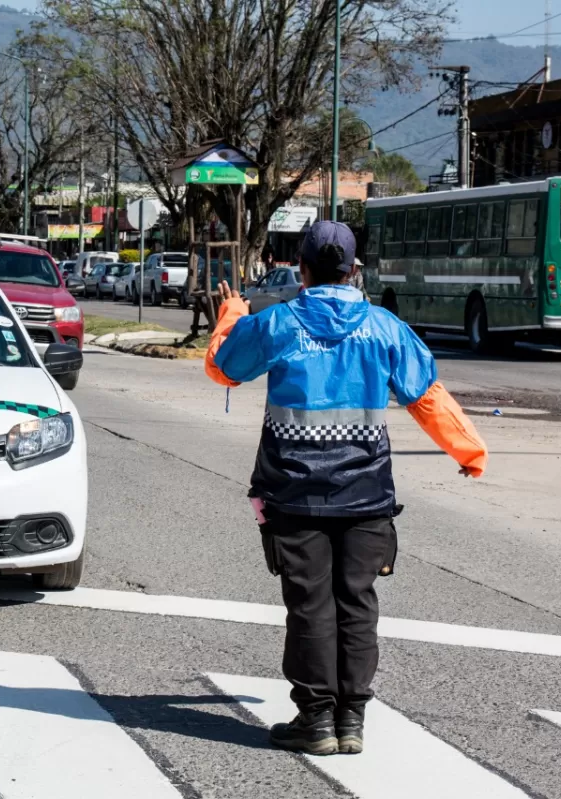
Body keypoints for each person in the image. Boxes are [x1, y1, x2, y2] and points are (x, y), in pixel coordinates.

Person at [204, 221, 488, 756]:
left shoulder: (278, 322)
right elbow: (427, 397)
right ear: (355, 271)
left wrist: (232, 314)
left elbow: (224, 369)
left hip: (293, 493)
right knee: (357, 603)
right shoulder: (384, 328)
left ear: (302, 270)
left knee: (309, 605)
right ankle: (350, 720)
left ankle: (316, 721)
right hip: (366, 493)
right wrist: (469, 452)